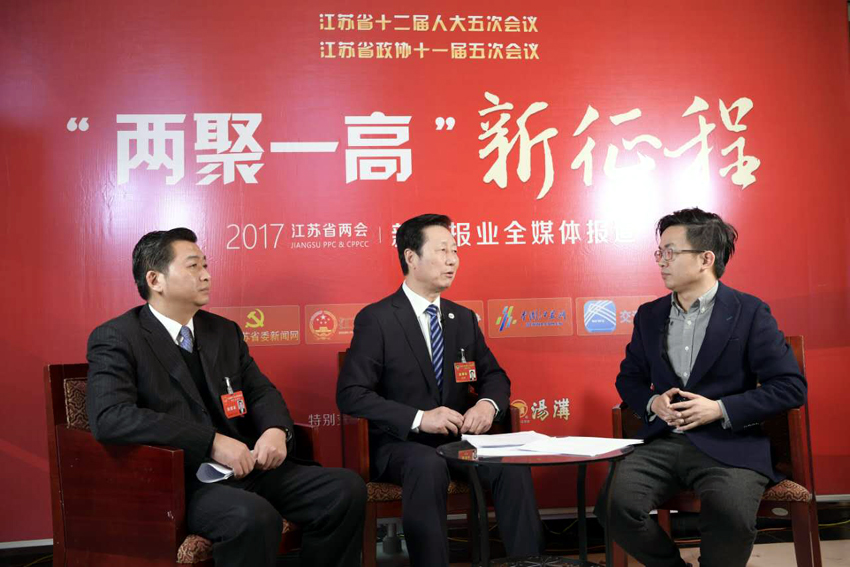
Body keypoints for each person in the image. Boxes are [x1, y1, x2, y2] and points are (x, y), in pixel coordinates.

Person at [86, 228, 366, 567]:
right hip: (185, 482)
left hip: (249, 467)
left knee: (345, 490)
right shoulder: (118, 337)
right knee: (253, 517)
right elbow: (111, 417)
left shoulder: (223, 331)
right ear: (155, 280)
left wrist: (276, 430)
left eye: (205, 265)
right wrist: (210, 442)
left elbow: (260, 391)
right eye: (193, 266)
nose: (206, 275)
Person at [597, 208, 807, 567]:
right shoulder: (649, 315)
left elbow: (790, 387)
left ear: (706, 259)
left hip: (730, 444)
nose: (661, 261)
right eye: (659, 252)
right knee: (614, 505)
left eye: (670, 252)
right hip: (664, 441)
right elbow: (628, 378)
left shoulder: (750, 312)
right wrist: (652, 402)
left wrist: (720, 409)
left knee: (730, 514)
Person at [337, 214, 545, 566]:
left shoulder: (462, 319)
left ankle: (529, 563)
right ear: (411, 257)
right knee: (427, 465)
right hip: (401, 445)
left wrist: (487, 405)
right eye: (442, 251)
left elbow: (494, 376)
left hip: (459, 442)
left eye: (455, 251)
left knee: (511, 466)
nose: (452, 260)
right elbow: (351, 393)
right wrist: (420, 418)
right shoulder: (378, 319)